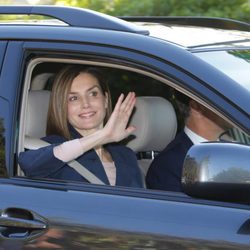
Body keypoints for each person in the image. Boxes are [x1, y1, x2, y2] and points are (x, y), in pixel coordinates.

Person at [19, 65, 143, 188]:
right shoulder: (52, 147)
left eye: (93, 94)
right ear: (62, 107)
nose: (86, 104)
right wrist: (102, 136)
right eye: (73, 98)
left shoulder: (126, 155)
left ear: (105, 100)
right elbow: (28, 164)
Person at [146, 95, 231, 192]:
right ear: (196, 108)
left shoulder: (233, 150)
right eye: (221, 100)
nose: (230, 106)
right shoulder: (168, 165)